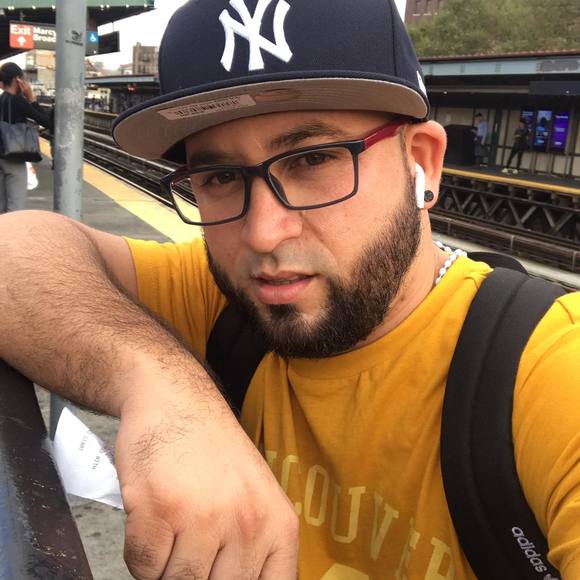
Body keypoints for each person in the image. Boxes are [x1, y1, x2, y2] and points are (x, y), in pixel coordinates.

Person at [0, 1, 579, 578]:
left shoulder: (548, 371)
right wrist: (163, 390)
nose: (263, 233)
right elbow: (17, 251)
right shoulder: (225, 302)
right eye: (220, 177)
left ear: (421, 163)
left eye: (314, 159)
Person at [0, 62, 53, 213]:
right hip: (14, 157)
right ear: (18, 79)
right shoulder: (18, 100)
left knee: (1, 207)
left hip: (0, 157)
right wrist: (32, 99)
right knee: (15, 209)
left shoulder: (1, 99)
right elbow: (47, 122)